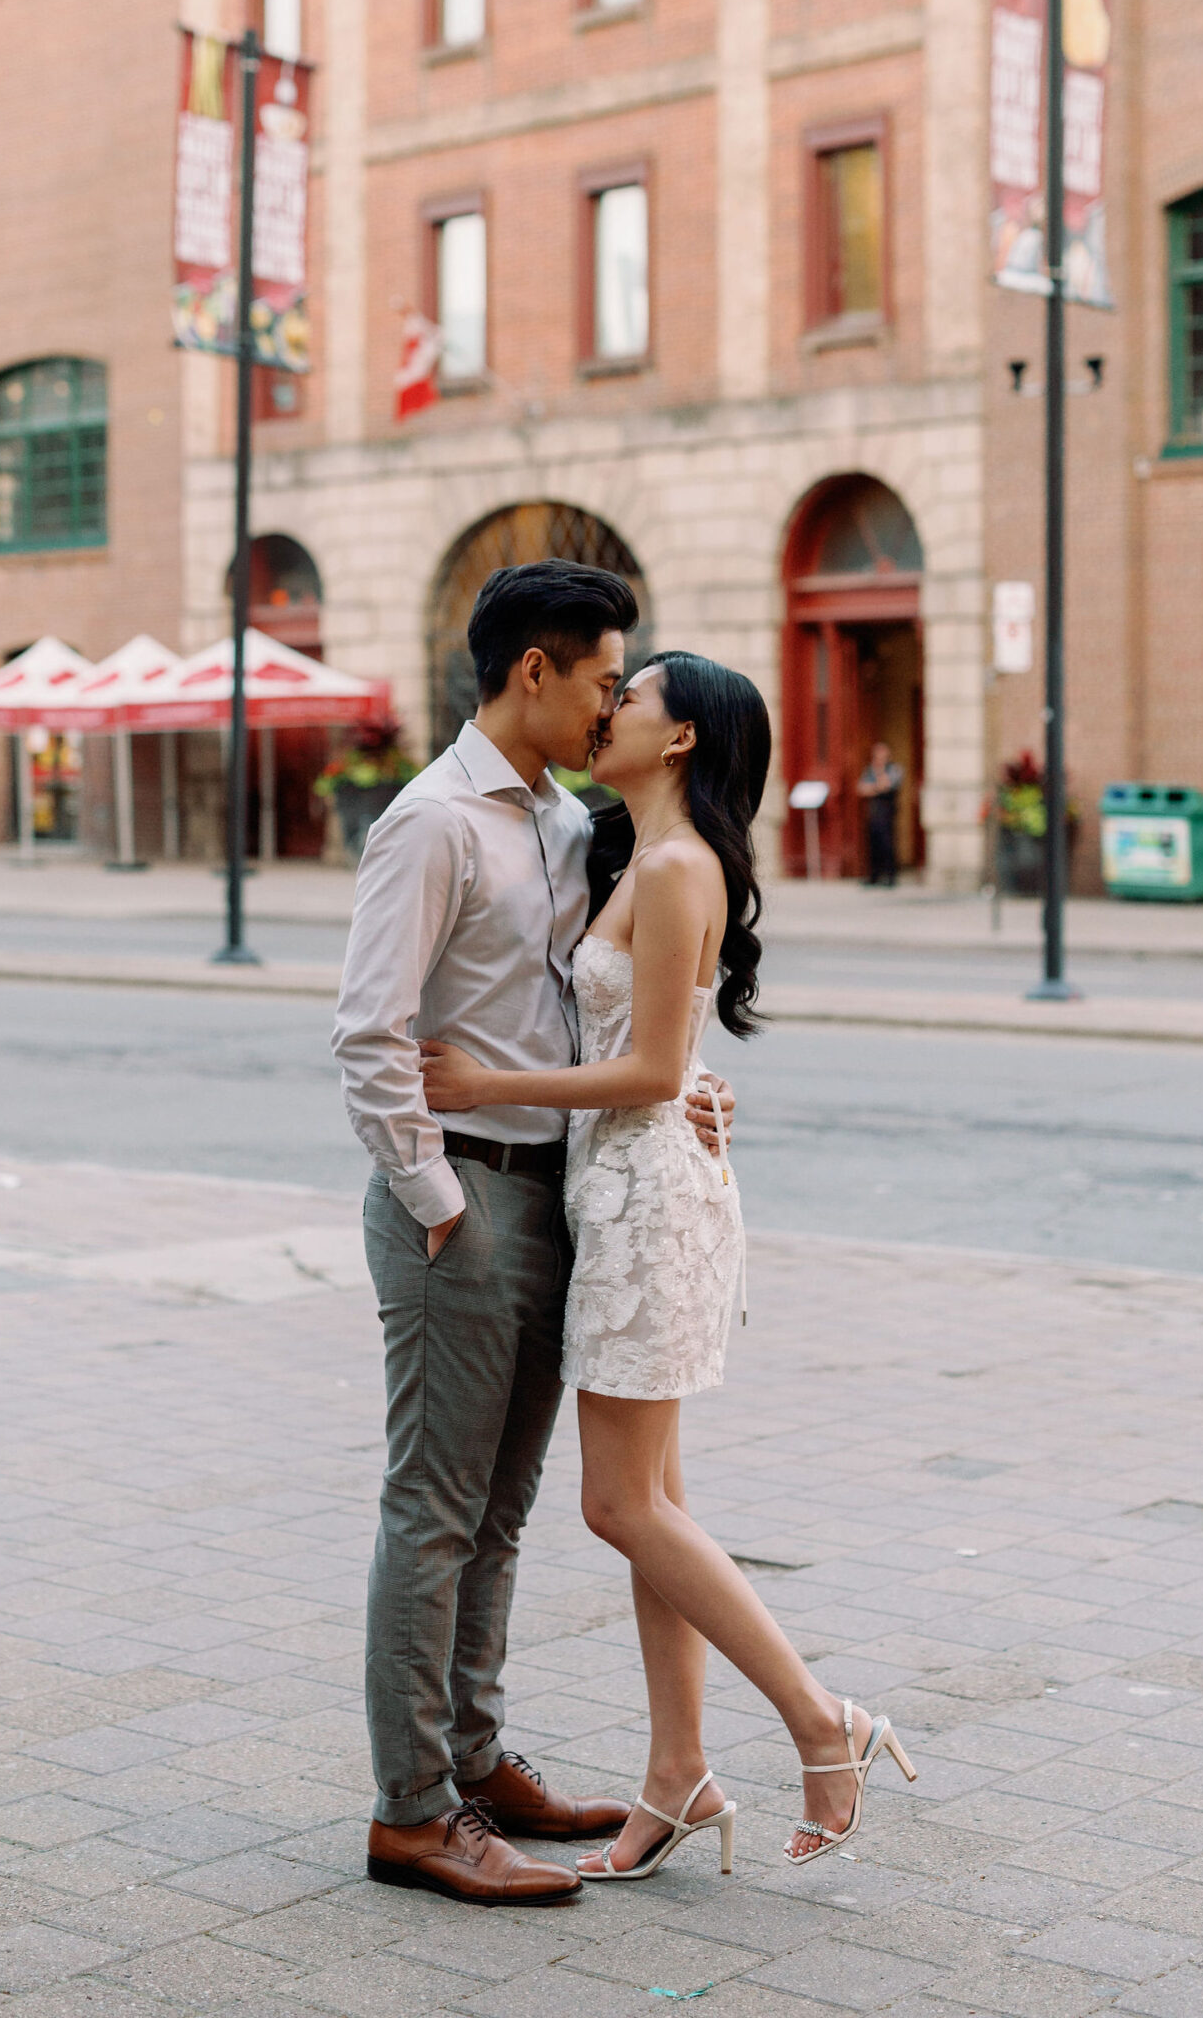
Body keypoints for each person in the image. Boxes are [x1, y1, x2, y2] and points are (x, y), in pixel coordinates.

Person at [423, 653, 916, 1877]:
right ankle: (676, 1774)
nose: (607, 711)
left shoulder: (681, 866)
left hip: (646, 1205)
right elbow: (664, 1054)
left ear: (683, 737)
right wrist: (693, 1082)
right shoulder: (628, 857)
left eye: (628, 698)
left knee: (617, 1503)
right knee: (656, 1509)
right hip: (624, 1188)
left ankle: (821, 1722)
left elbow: (646, 1069)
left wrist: (485, 1085)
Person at [331, 561, 735, 1906]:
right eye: (602, 676)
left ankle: (476, 1760)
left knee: (498, 1515)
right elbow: (370, 1037)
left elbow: (604, 1019)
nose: (611, 698)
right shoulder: (431, 823)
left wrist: (683, 1086)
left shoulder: (568, 824)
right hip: (465, 1202)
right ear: (533, 673)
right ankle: (410, 1813)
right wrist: (437, 1204)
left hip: (559, 1193)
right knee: (434, 1509)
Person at [857, 738, 904, 886]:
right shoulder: (870, 769)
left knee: (888, 844)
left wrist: (873, 787)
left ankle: (890, 876)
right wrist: (877, 787)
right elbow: (861, 788)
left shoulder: (894, 769)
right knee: (873, 844)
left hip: (887, 811)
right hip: (874, 811)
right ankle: (874, 876)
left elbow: (888, 785)